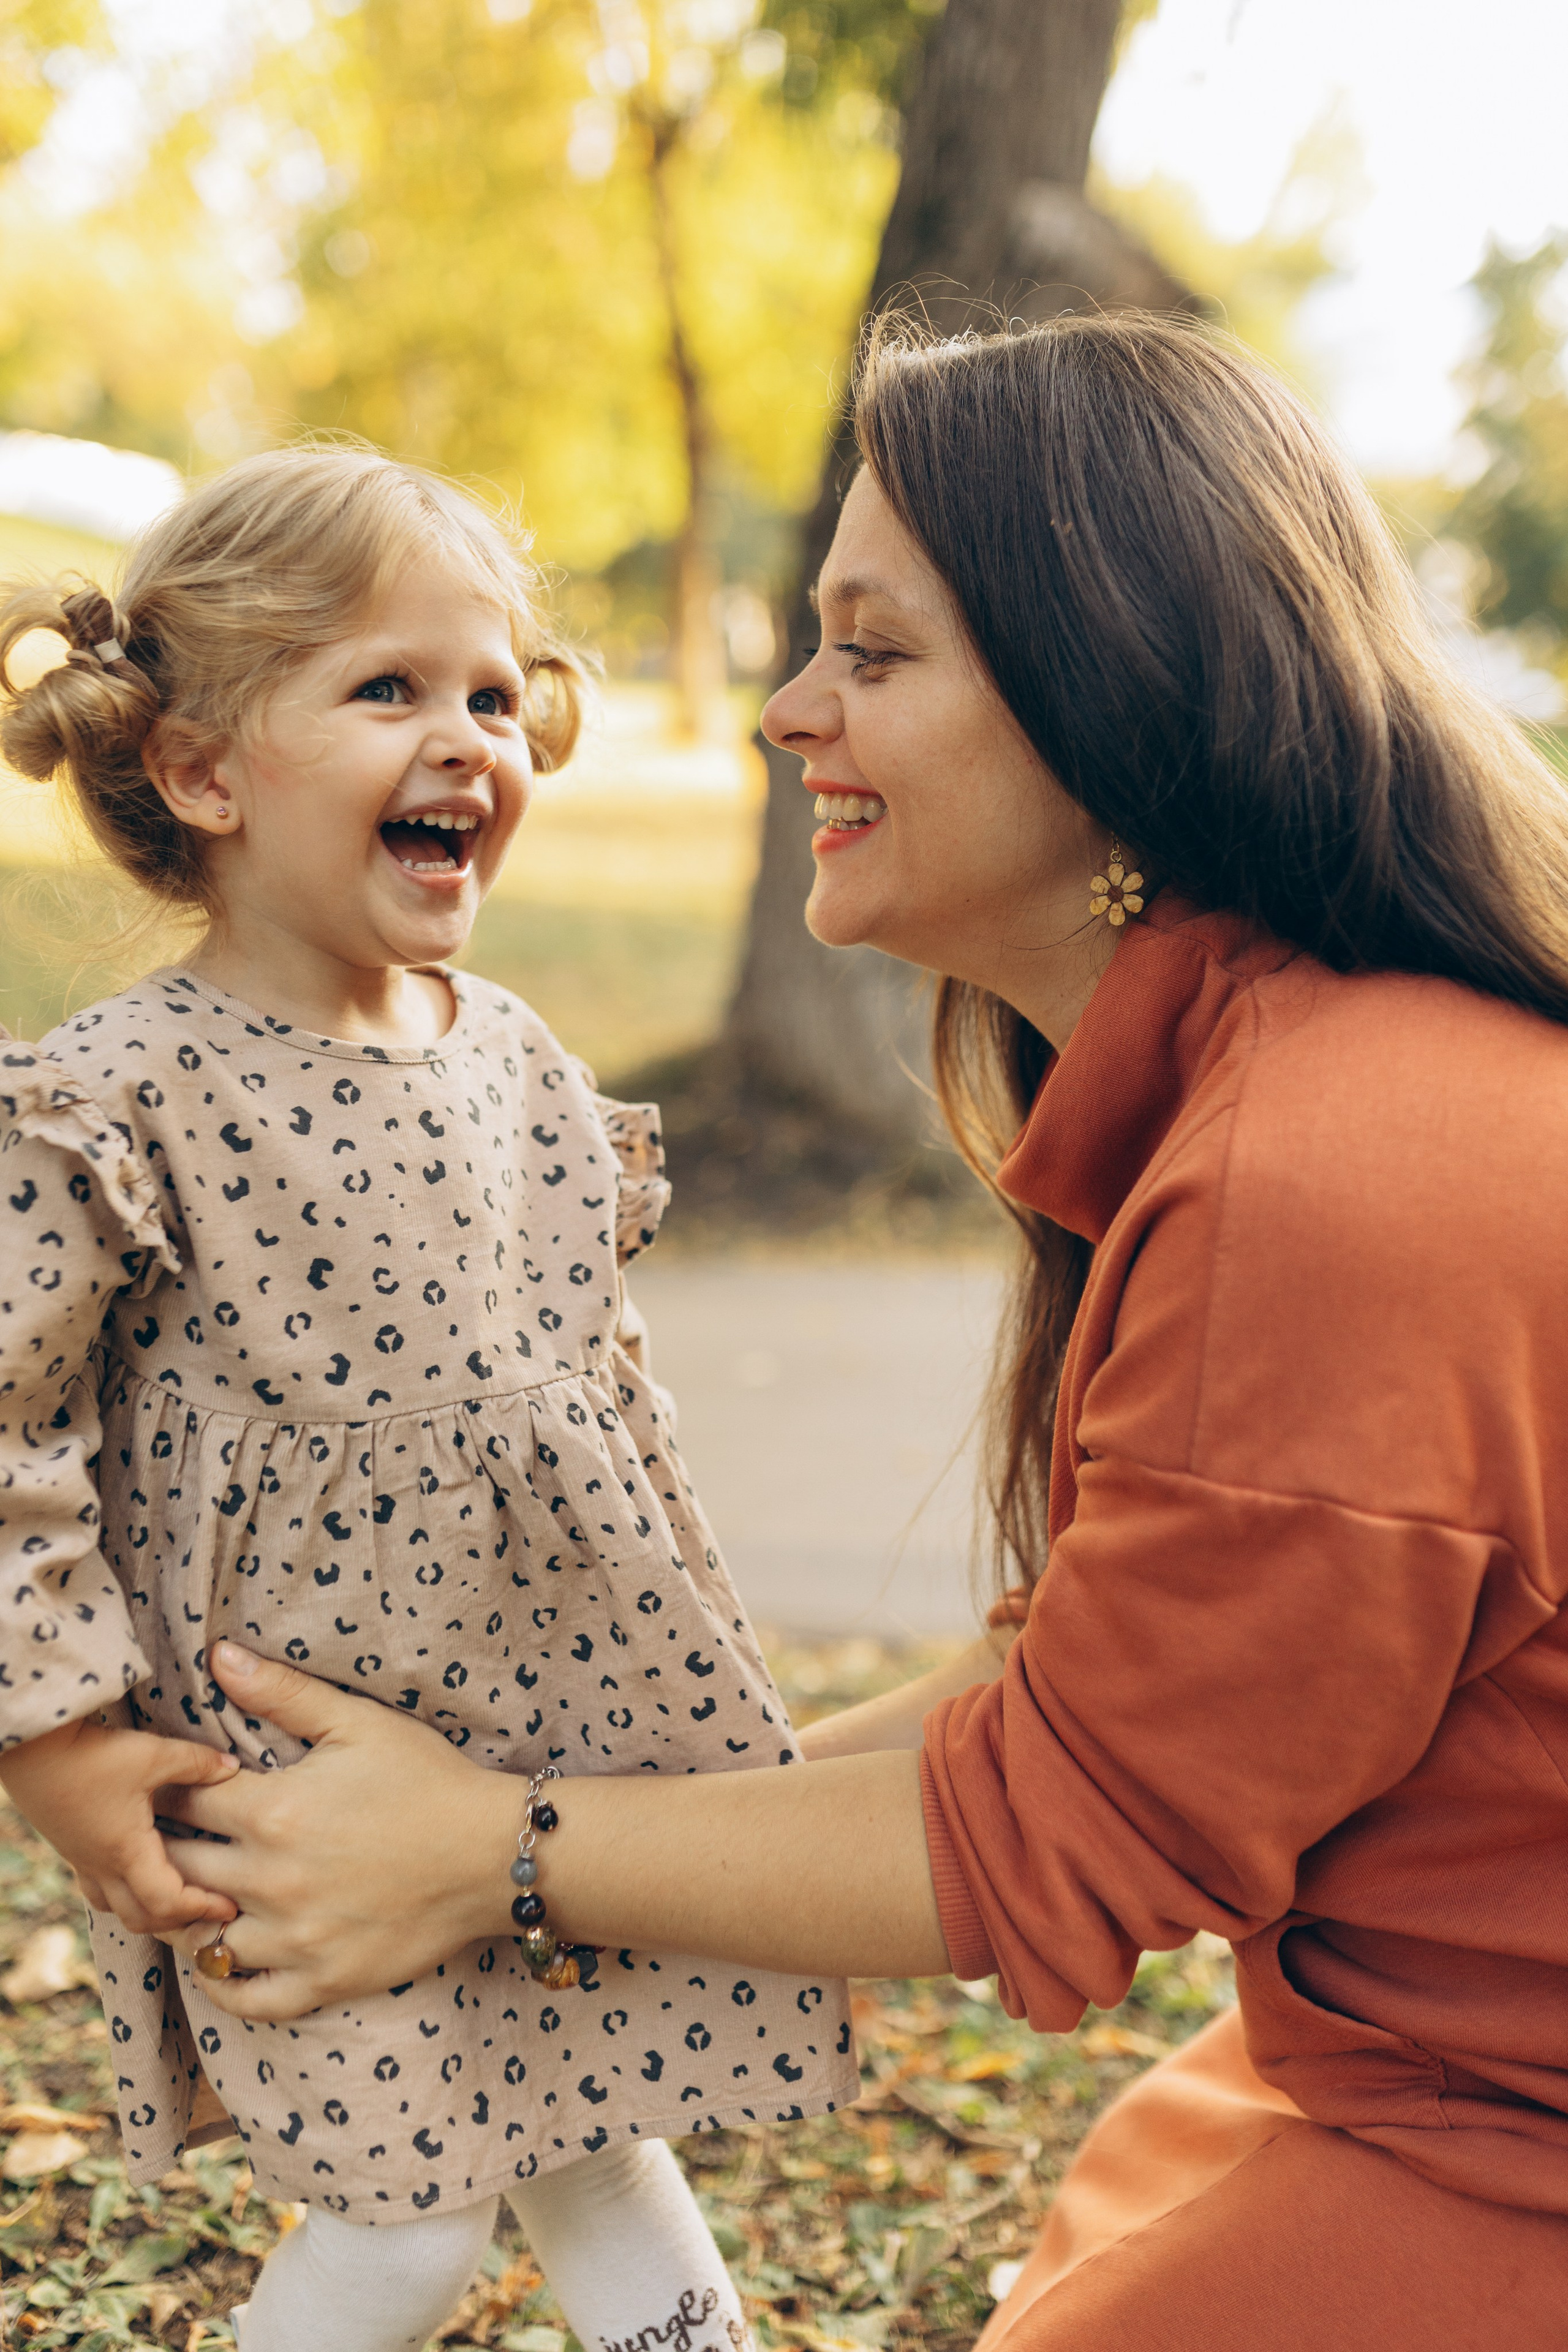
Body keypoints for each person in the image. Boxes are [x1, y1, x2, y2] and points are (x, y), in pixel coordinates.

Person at [137, 314, 1568, 2348]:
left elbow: (1055, 1839)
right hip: (1419, 2058)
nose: (788, 711)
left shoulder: (1332, 1180)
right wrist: (561, 1846)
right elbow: (1083, 1692)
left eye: (874, 654)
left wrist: (496, 1858)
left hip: (1514, 2133)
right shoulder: (1293, 1085)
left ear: (1114, 698)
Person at [0, 446, 864, 2352]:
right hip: (296, 1785)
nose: (466, 737)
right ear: (207, 772)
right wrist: (53, 1747)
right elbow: (3, 1430)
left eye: (493, 690)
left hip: (545, 1753)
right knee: (403, 2227)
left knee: (597, 2130)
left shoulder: (524, 1065)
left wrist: (702, 1691)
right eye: (386, 690)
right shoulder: (123, 1093)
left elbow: (602, 1393)